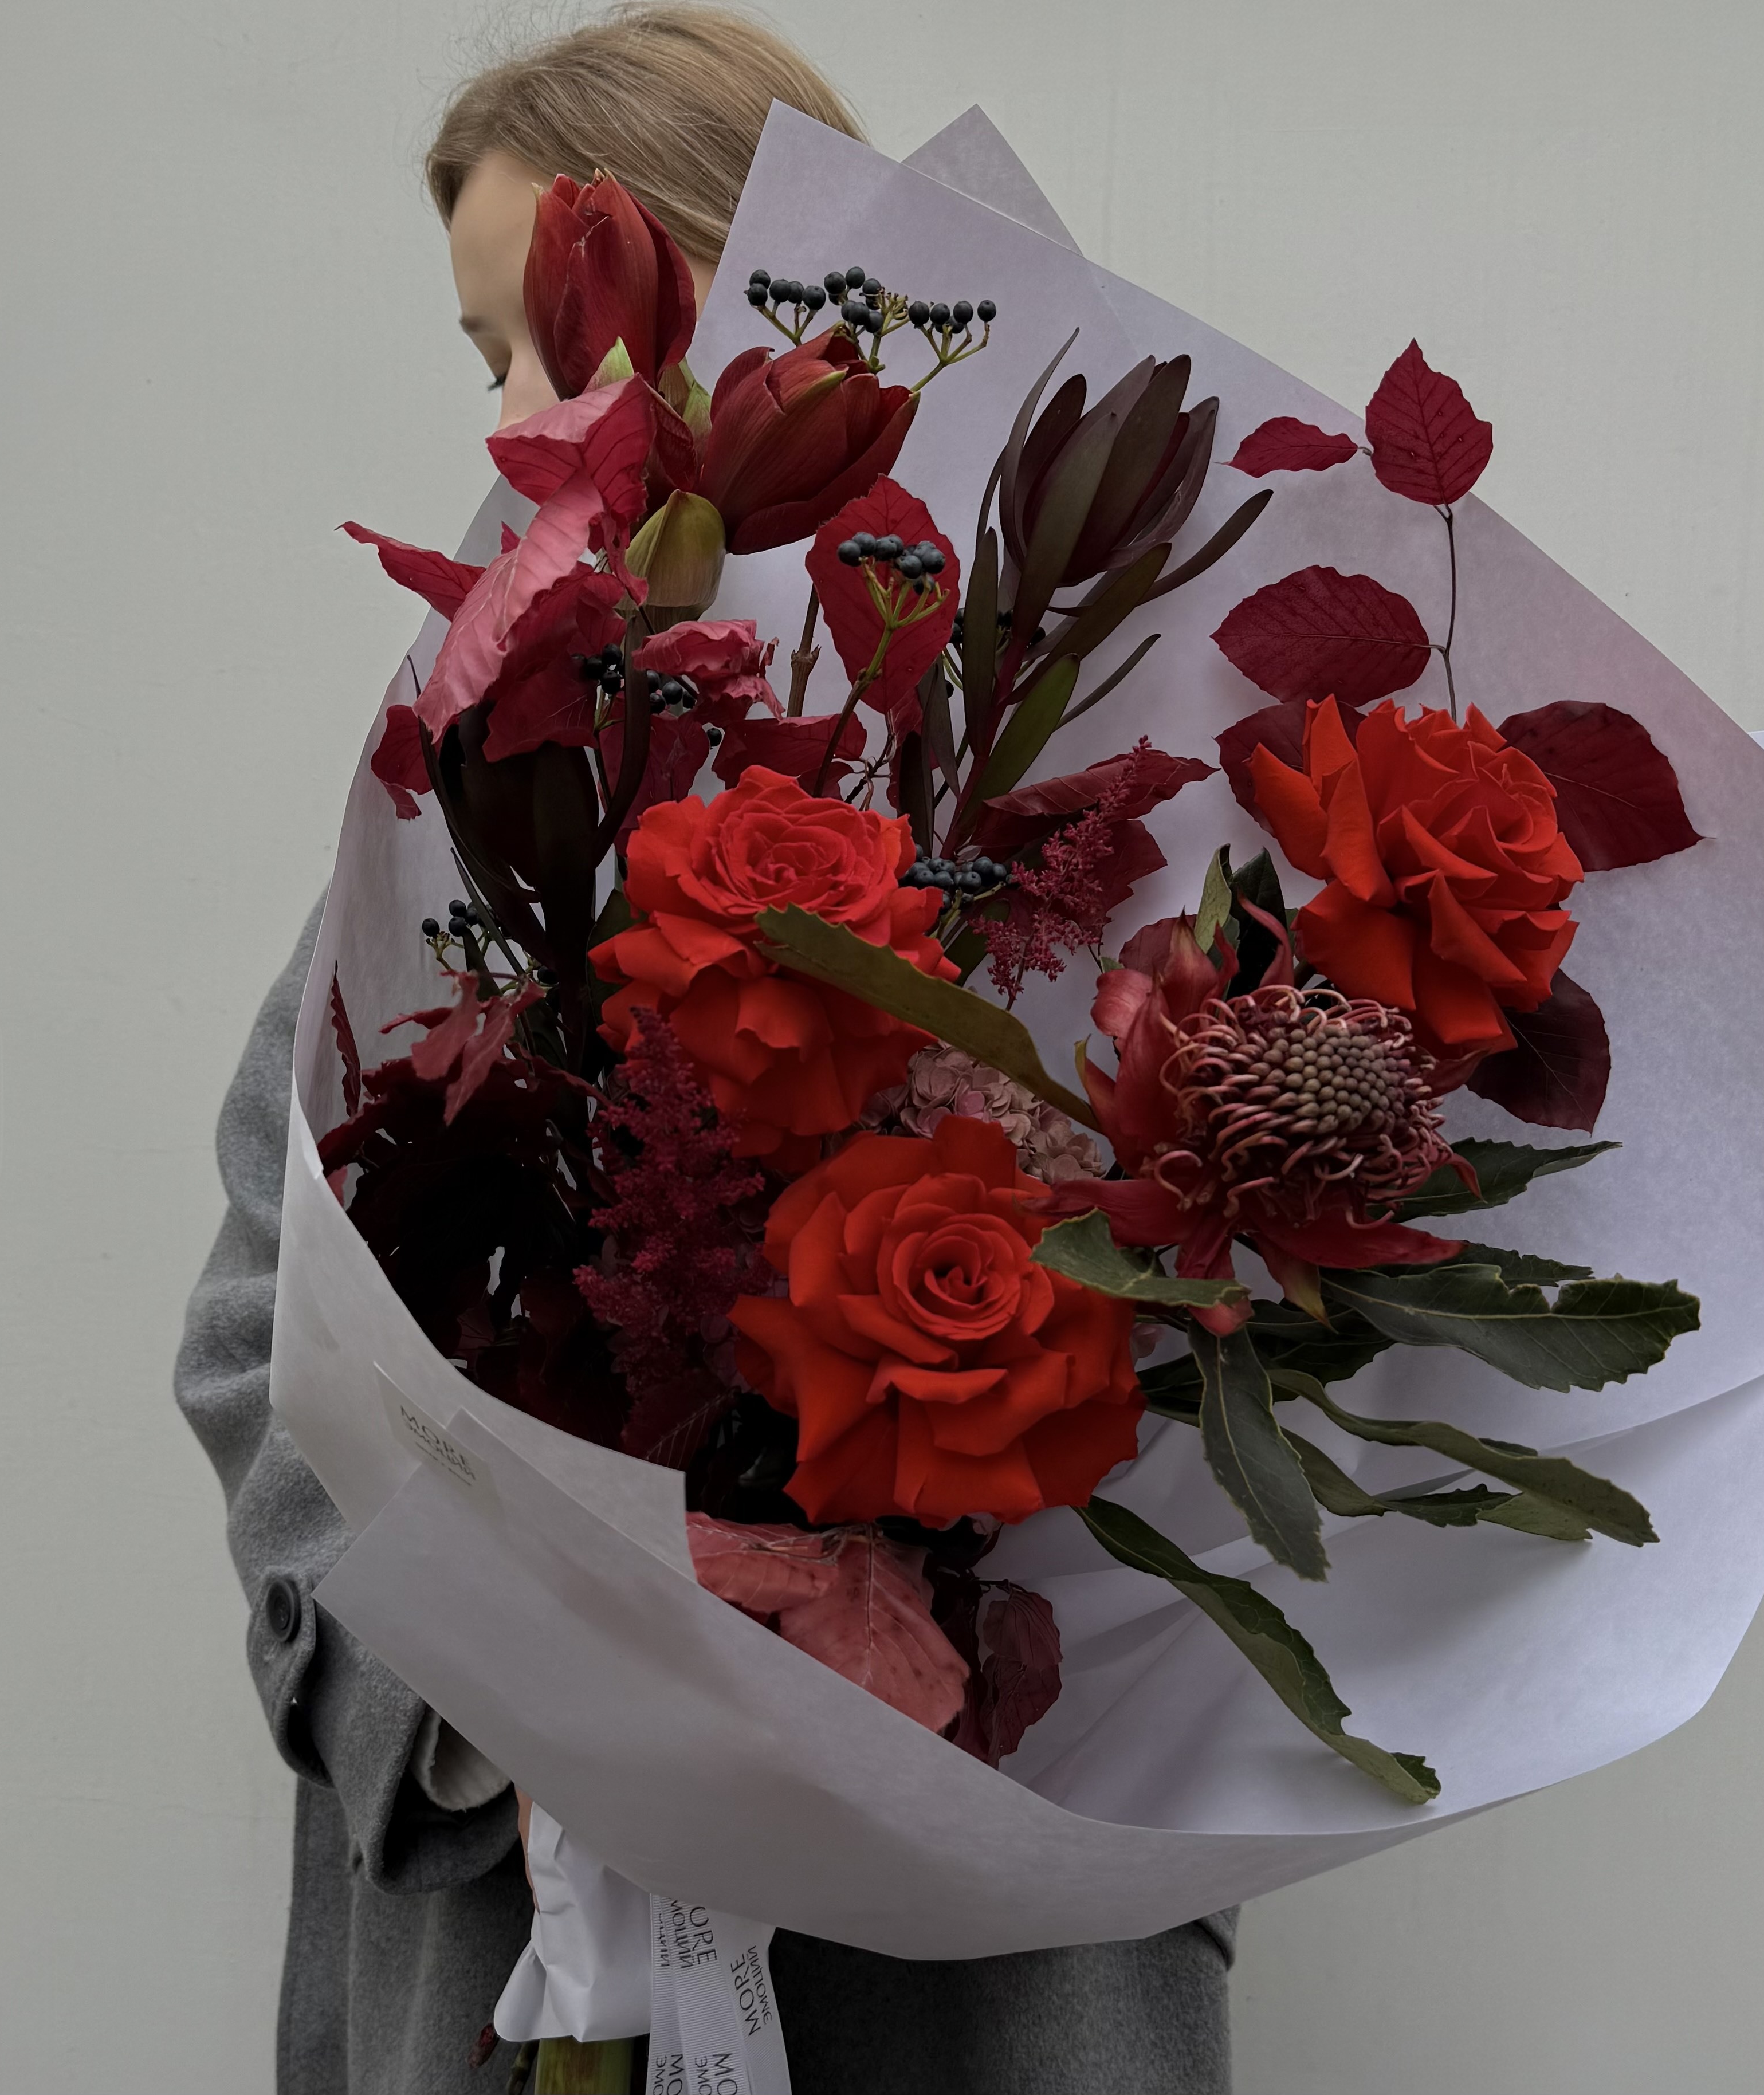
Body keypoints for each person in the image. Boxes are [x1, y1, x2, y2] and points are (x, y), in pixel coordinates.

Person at [175, 9, 1236, 2092]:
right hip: (521, 1940)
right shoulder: (474, 814)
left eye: (553, 344)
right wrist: (507, 1713)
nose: (508, 418)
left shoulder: (1072, 823)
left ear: (756, 335)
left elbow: (1231, 1381)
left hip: (974, 1954)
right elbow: (257, 1331)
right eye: (483, 353)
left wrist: (907, 1559)